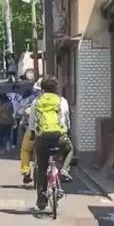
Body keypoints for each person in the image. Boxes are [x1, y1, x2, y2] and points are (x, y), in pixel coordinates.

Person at [30, 76, 74, 210]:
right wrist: (66, 132)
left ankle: (42, 197)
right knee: (70, 150)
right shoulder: (62, 101)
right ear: (56, 88)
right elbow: (66, 119)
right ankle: (65, 170)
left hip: (42, 139)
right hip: (59, 137)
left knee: (41, 167)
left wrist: (33, 134)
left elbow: (32, 122)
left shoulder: (36, 101)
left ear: (42, 88)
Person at [17, 80, 43, 185]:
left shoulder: (32, 99)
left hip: (34, 128)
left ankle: (26, 172)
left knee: (25, 150)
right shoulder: (57, 99)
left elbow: (20, 110)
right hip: (52, 130)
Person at [0, 86, 17, 152]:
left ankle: (2, 148)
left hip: (0, 120)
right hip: (8, 120)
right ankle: (8, 146)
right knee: (8, 134)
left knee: (1, 134)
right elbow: (12, 111)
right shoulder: (9, 102)